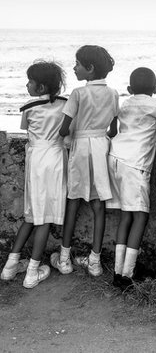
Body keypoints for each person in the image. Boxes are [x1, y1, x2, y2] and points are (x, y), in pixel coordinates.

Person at [50, 45, 119, 277]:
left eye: (77, 64)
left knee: (73, 201)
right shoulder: (114, 94)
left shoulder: (78, 94)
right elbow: (113, 129)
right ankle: (95, 261)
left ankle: (64, 258)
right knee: (99, 205)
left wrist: (68, 137)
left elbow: (63, 129)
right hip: (101, 147)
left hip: (80, 148)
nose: (74, 67)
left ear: (89, 69)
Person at [0, 61, 67, 288]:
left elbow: (28, 130)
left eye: (30, 81)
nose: (27, 84)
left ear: (40, 87)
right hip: (56, 159)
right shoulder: (65, 106)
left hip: (36, 160)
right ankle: (32, 270)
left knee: (31, 214)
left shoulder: (28, 108)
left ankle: (11, 265)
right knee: (45, 217)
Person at [106, 67, 156, 290]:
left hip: (116, 156)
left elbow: (114, 129)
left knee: (126, 216)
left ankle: (118, 270)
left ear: (129, 89)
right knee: (140, 216)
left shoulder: (126, 103)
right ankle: (127, 274)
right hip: (135, 163)